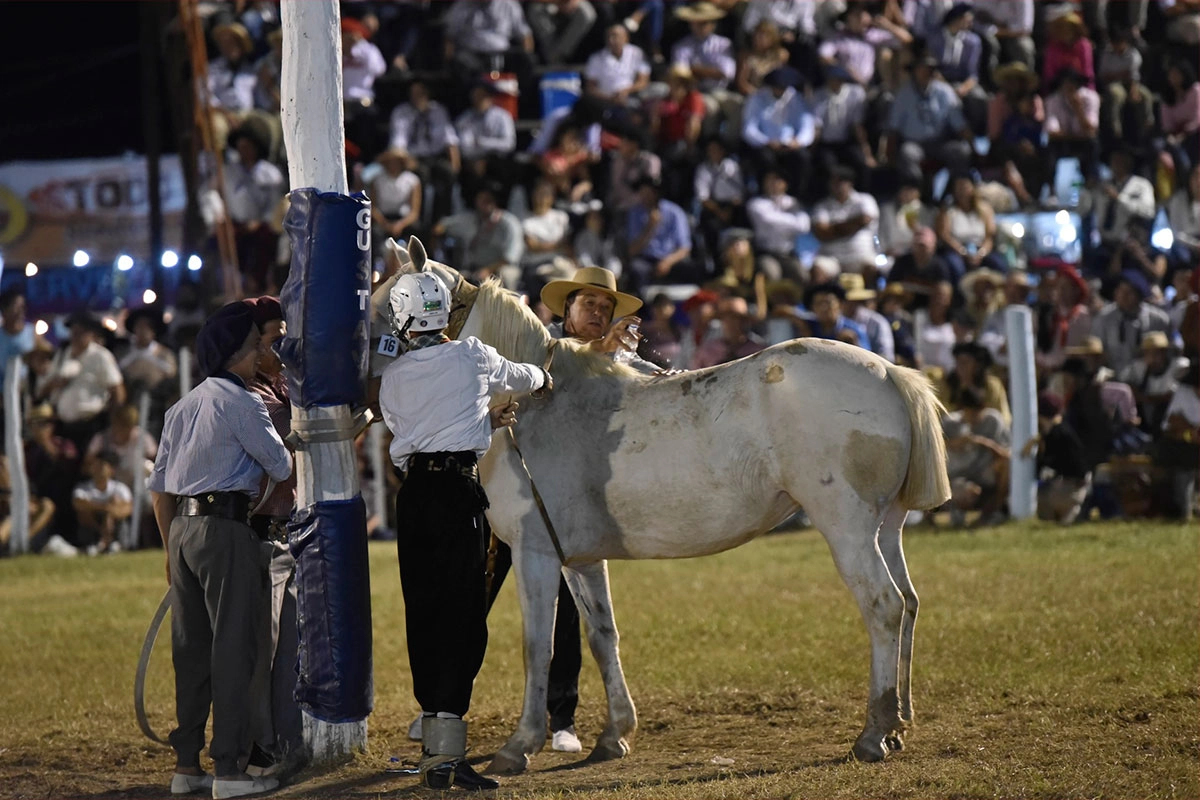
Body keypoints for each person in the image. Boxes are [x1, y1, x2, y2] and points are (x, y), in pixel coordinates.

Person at [378, 271, 550, 791]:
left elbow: (412, 429)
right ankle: (446, 755)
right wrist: (491, 414)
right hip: (457, 495)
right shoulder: (474, 354)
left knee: (424, 615)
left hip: (414, 498)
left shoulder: (393, 375)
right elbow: (530, 377)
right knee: (464, 619)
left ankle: (435, 749)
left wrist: (478, 421)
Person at [149, 301, 291, 799]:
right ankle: (229, 770)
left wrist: (170, 549)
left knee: (190, 652)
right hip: (225, 529)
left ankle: (187, 765)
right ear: (236, 353)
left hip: (183, 532)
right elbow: (281, 465)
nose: (261, 354)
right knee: (233, 648)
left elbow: (160, 487)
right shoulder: (244, 403)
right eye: (256, 346)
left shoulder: (180, 407)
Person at [243, 297, 304, 773]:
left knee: (288, 652)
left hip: (291, 533)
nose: (282, 346)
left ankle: (280, 743)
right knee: (260, 650)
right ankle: (255, 747)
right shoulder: (252, 398)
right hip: (261, 535)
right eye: (272, 339)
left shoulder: (281, 387)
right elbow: (293, 445)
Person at [40, 311, 126, 456]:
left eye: (81, 332)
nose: (76, 336)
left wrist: (113, 421)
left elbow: (117, 390)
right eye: (74, 332)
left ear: (91, 334)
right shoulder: (62, 355)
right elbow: (45, 388)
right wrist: (56, 384)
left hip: (91, 425)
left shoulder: (100, 356)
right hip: (63, 426)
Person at [1022, 392, 1091, 525]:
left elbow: (1044, 466)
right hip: (1080, 488)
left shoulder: (1054, 435)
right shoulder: (1066, 430)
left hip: (1066, 490)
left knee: (1036, 497)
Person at [72, 449, 133, 556]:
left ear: (111, 470)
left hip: (115, 527)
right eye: (95, 465)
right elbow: (78, 504)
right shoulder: (83, 488)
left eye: (101, 465)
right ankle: (98, 542)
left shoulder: (120, 488)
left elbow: (127, 509)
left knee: (115, 505)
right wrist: (105, 507)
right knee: (84, 513)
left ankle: (109, 542)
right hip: (92, 526)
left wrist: (110, 512)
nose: (97, 468)